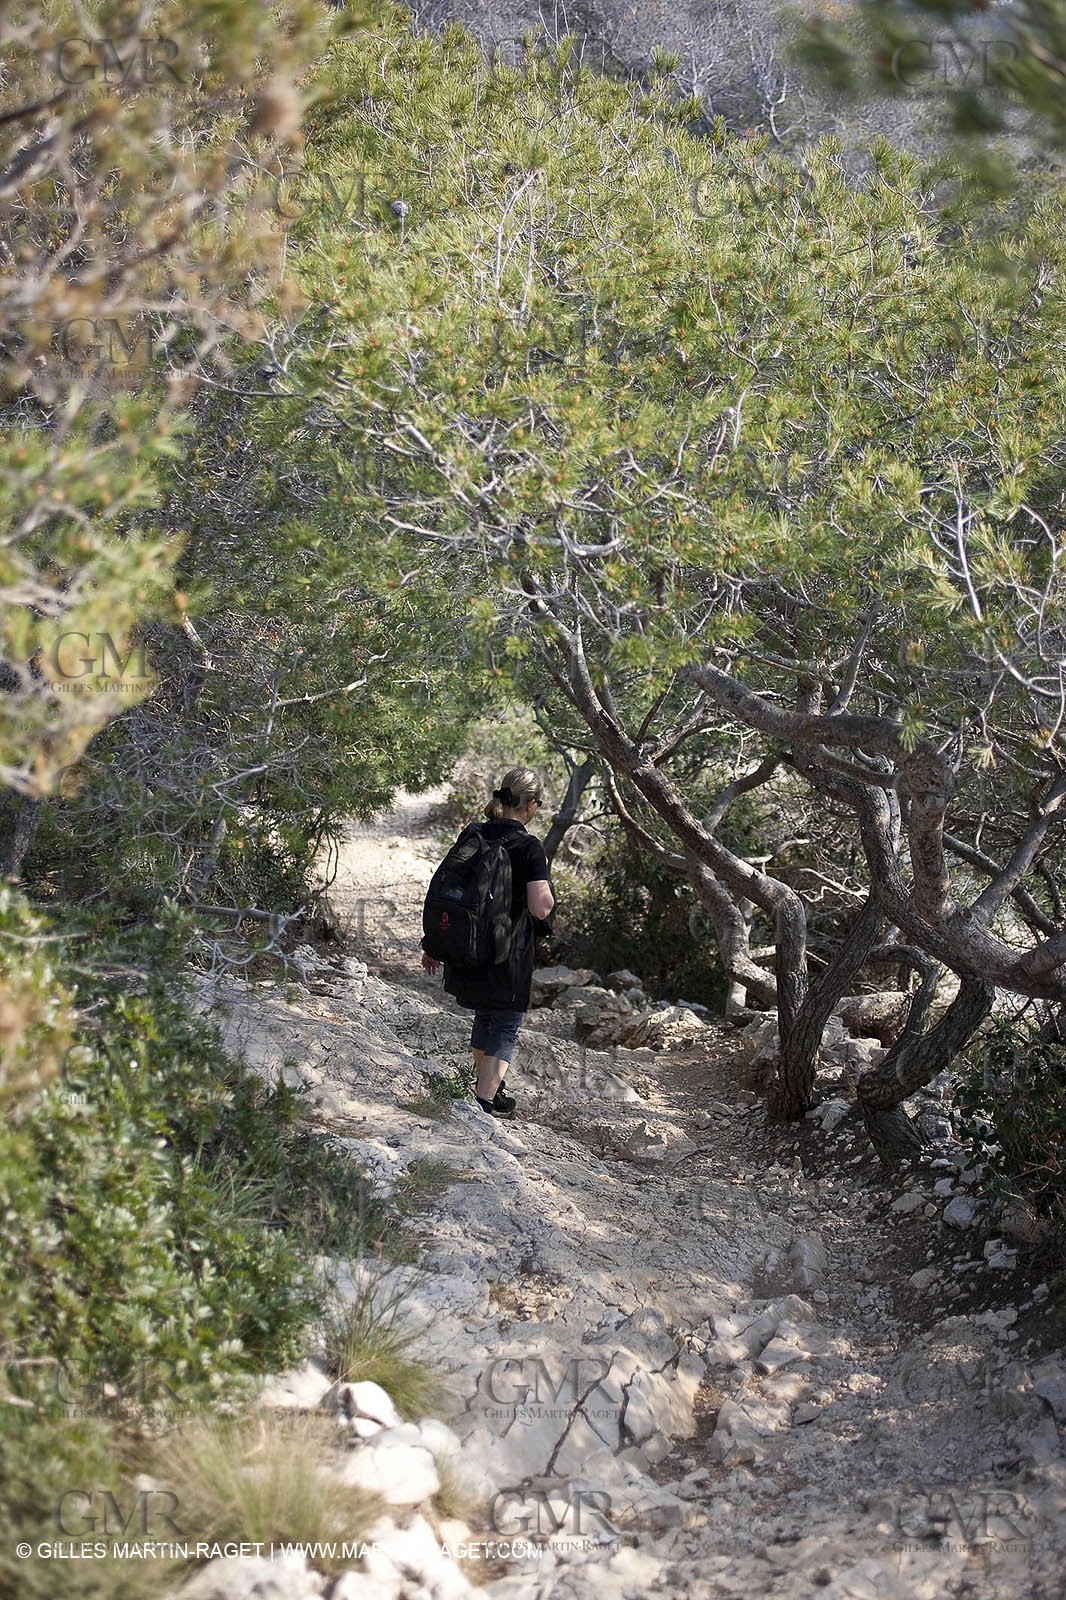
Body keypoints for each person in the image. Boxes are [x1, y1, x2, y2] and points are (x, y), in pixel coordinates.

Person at [421, 767, 555, 1119]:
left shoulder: (474, 832)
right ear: (531, 806)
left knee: (485, 1015)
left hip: (468, 946)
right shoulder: (529, 846)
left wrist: (435, 943)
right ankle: (483, 1102)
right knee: (507, 1022)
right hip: (507, 953)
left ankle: (488, 1090)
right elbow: (540, 906)